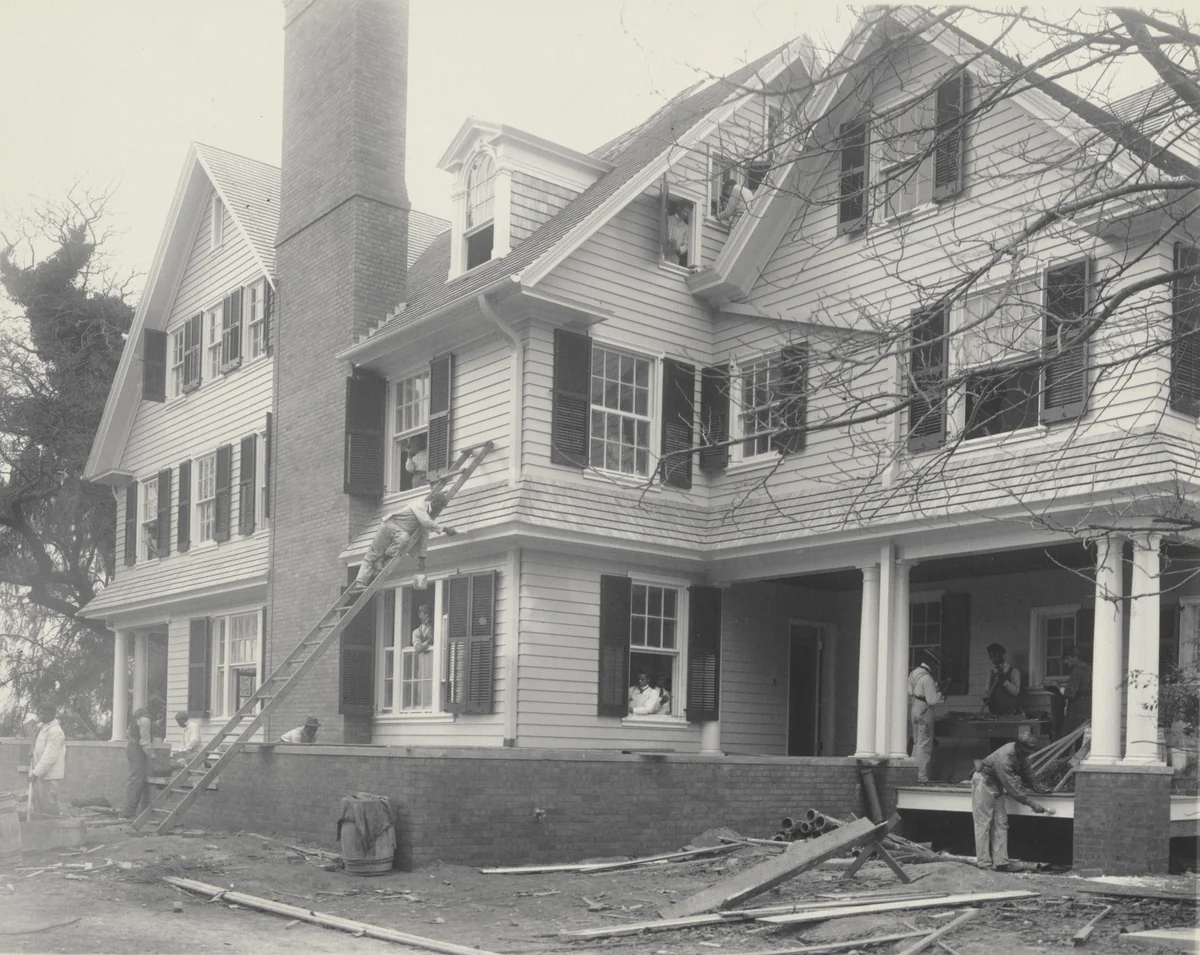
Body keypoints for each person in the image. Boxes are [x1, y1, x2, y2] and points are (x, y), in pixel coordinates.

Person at [971, 732, 1054, 870]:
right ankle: (984, 863)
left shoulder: (1021, 754)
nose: (1029, 753)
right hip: (984, 782)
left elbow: (1027, 773)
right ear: (1020, 746)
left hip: (996, 783)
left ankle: (1001, 862)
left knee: (1001, 823)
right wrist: (1032, 804)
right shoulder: (1005, 759)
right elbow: (1012, 788)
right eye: (1028, 750)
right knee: (984, 824)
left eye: (1031, 750)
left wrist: (1038, 789)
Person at [349, 490, 458, 592]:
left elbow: (424, 537)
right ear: (434, 502)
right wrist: (445, 529)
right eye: (439, 507)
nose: (439, 510)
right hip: (389, 526)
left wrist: (422, 557)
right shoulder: (419, 506)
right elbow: (426, 522)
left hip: (400, 532)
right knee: (373, 553)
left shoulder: (427, 517)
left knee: (404, 539)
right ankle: (360, 582)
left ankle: (382, 559)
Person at [907, 649, 943, 783]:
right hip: (925, 712)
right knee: (925, 745)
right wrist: (940, 692)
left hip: (914, 709)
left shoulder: (913, 674)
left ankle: (911, 773)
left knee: (916, 743)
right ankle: (921, 777)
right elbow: (932, 700)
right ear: (931, 664)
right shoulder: (927, 678)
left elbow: (910, 691)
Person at [28, 703, 66, 817]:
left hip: (50, 776)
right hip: (39, 774)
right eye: (40, 712)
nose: (41, 715)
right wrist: (32, 750)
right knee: (38, 807)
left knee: (49, 807)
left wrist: (35, 774)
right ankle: (41, 831)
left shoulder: (56, 731)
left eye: (44, 712)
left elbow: (50, 756)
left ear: (53, 714)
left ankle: (54, 831)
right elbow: (35, 742)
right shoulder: (41, 727)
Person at [123, 705, 154, 819]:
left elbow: (128, 732)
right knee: (135, 780)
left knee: (135, 779)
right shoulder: (145, 720)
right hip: (137, 750)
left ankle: (129, 810)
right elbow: (145, 742)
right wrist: (153, 756)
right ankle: (128, 812)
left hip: (132, 747)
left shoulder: (135, 718)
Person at [1061, 645, 1092, 736]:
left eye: (1067, 659)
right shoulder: (1088, 668)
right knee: (1082, 736)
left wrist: (1058, 687)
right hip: (1086, 708)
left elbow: (1070, 693)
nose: (1066, 662)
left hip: (1076, 710)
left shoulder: (1078, 670)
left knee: (1069, 735)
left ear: (1074, 657)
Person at [984, 643, 1022, 715]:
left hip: (1010, 713)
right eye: (991, 657)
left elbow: (1016, 692)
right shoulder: (991, 673)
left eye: (995, 656)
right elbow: (987, 690)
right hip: (994, 713)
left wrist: (1004, 681)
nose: (992, 659)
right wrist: (988, 699)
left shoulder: (1014, 671)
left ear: (1001, 655)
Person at [665, 202, 691, 267]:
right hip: (663, 253)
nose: (686, 214)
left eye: (688, 213)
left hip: (675, 258)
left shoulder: (686, 228)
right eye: (685, 211)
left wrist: (678, 249)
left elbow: (686, 245)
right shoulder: (668, 219)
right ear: (679, 209)